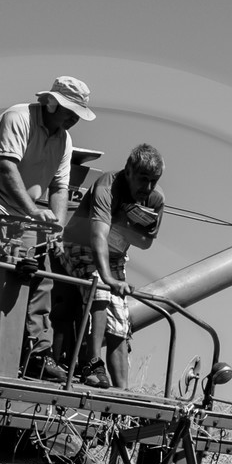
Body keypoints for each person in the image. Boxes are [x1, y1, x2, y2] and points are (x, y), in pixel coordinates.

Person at [0, 76, 95, 379]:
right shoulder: (18, 117)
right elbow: (6, 167)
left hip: (25, 214)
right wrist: (34, 211)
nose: (73, 120)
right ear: (51, 102)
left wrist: (56, 227)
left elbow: (60, 187)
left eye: (77, 115)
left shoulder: (64, 140)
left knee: (41, 275)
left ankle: (38, 354)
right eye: (69, 112)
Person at [56, 143, 164, 389]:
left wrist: (126, 222)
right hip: (77, 246)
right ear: (128, 171)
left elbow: (146, 242)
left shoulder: (155, 199)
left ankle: (122, 392)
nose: (147, 188)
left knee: (120, 320)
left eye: (154, 181)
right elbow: (98, 236)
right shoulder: (107, 186)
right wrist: (108, 277)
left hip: (114, 257)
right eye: (143, 179)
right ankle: (91, 363)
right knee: (102, 287)